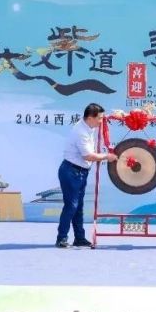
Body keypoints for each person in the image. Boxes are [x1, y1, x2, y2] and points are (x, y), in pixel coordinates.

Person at [56, 103, 118, 248]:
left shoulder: (88, 126)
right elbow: (88, 156)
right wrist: (106, 156)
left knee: (78, 207)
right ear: (90, 118)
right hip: (71, 172)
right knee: (71, 206)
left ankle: (79, 238)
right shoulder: (80, 132)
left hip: (80, 172)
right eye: (99, 118)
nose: (101, 121)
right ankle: (61, 238)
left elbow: (104, 121)